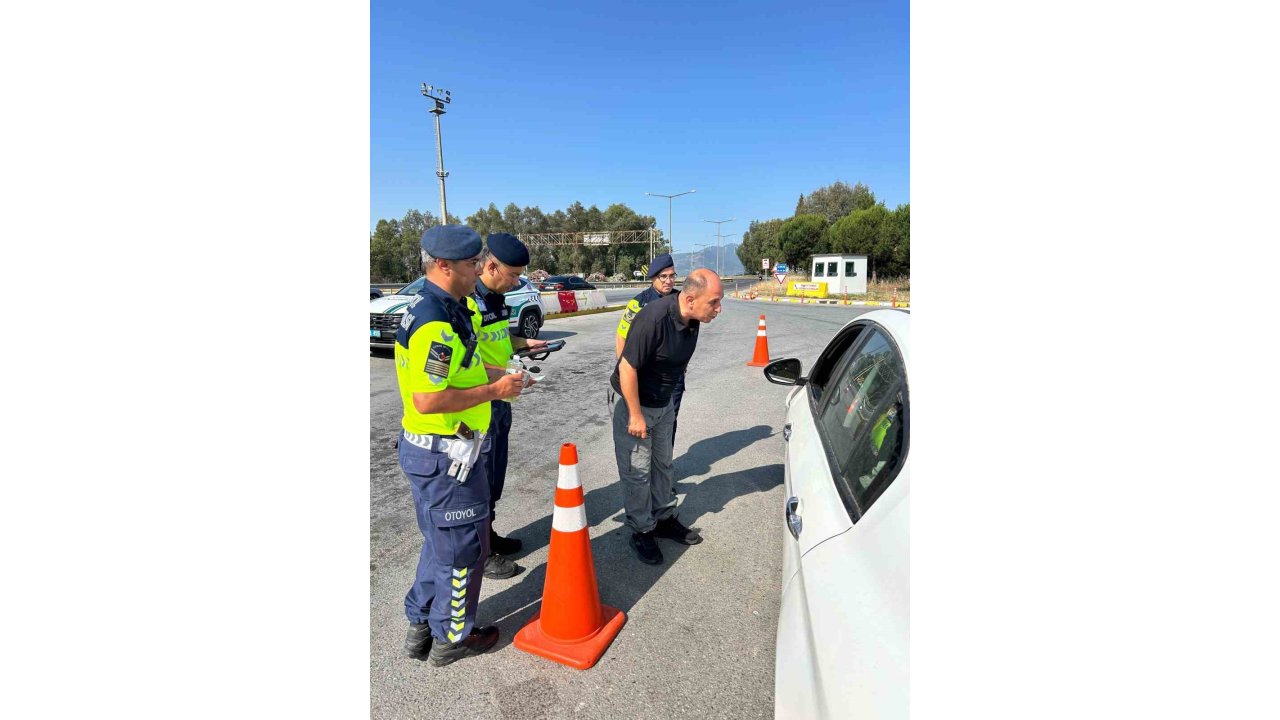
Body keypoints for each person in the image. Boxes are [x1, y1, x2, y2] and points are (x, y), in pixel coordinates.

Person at [395, 224, 526, 667]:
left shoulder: (449, 308)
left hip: (441, 451)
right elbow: (429, 399)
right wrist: (495, 393)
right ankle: (452, 636)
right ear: (444, 266)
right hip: (444, 452)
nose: (478, 270)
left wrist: (498, 377)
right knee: (465, 548)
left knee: (441, 543)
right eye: (472, 264)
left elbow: (462, 369)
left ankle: (421, 623)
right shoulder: (434, 321)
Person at [610, 268, 725, 565]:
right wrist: (635, 415)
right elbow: (627, 367)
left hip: (664, 404)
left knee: (663, 465)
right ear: (689, 299)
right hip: (636, 404)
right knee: (637, 472)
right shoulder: (653, 318)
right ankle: (642, 529)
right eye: (714, 302)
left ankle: (663, 518)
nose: (718, 309)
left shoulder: (693, 318)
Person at [468, 232, 548, 580]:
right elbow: (465, 363)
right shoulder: (468, 302)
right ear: (490, 266)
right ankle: (479, 553)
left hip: (503, 400)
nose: (517, 281)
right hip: (481, 403)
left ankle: (489, 535)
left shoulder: (499, 298)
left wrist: (525, 341)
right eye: (513, 275)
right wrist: (508, 375)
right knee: (480, 479)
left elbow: (501, 337)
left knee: (495, 477)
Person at [615, 253, 684, 446]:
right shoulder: (638, 304)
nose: (669, 281)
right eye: (664, 276)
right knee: (643, 425)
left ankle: (664, 465)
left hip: (673, 378)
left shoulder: (681, 301)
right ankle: (645, 470)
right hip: (646, 378)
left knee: (670, 423)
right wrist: (624, 371)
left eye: (672, 275)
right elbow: (621, 336)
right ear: (653, 277)